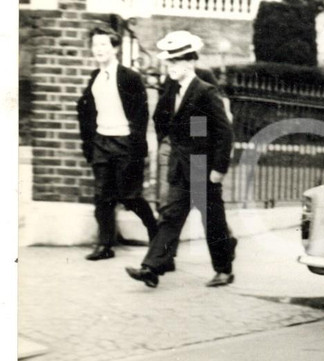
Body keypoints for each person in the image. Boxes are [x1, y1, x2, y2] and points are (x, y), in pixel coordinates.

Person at [125, 31, 237, 289]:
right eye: (169, 62)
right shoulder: (171, 88)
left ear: (189, 63)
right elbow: (161, 119)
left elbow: (223, 132)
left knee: (212, 221)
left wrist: (219, 168)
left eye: (175, 62)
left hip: (201, 167)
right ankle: (151, 268)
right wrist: (172, 141)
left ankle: (223, 269)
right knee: (171, 216)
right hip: (180, 165)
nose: (170, 67)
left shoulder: (205, 91)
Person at [76, 26, 159, 261]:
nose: (99, 49)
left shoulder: (129, 77)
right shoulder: (96, 77)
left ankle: (156, 236)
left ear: (115, 48)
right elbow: (87, 111)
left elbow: (141, 115)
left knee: (130, 196)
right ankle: (104, 245)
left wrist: (136, 146)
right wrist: (90, 143)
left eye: (104, 44)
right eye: (95, 45)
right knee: (102, 196)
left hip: (125, 143)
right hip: (102, 142)